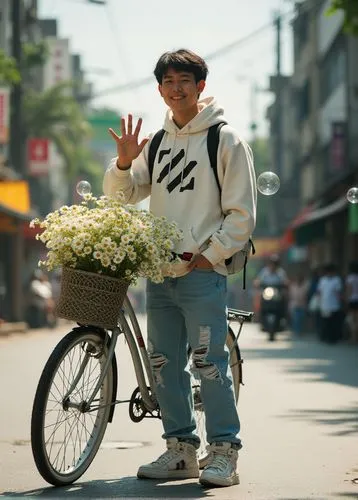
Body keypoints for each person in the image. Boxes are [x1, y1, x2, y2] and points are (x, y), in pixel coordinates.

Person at [103, 49, 257, 488]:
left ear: (200, 86)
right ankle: (180, 450)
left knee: (209, 363)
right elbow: (122, 197)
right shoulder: (158, 142)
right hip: (159, 274)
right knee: (164, 363)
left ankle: (224, 452)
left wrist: (211, 255)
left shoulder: (225, 141)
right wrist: (124, 163)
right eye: (168, 81)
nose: (176, 88)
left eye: (184, 80)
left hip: (202, 272)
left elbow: (242, 212)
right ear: (160, 89)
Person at [316, 263, 343, 344]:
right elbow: (319, 292)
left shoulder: (337, 280)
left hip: (334, 305)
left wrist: (340, 301)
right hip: (324, 305)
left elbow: (338, 292)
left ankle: (333, 338)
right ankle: (326, 337)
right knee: (325, 322)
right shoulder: (322, 280)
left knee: (333, 323)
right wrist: (319, 302)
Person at [345, 261, 358, 343]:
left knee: (352, 320)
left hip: (353, 300)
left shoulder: (350, 278)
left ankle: (354, 337)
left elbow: (349, 290)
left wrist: (346, 299)